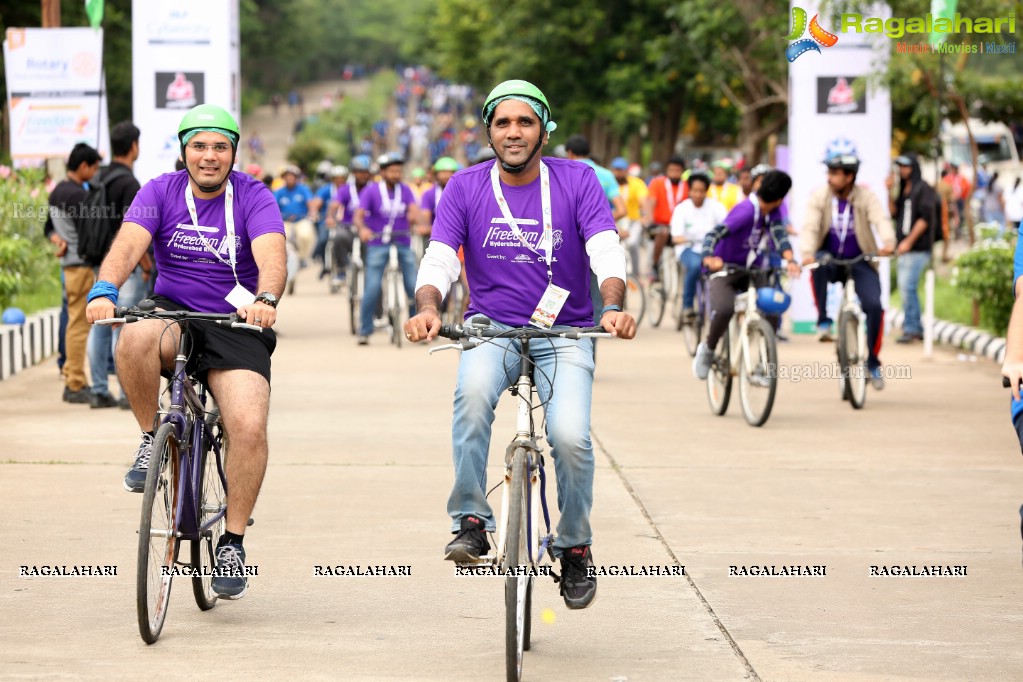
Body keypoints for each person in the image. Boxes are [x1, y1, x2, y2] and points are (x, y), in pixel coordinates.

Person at [403, 79, 637, 610]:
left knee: (572, 436)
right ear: (488, 130)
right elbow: (440, 256)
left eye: (525, 122)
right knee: (471, 401)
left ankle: (574, 545)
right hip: (492, 329)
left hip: (567, 332)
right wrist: (427, 308)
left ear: (544, 131)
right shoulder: (464, 186)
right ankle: (471, 520)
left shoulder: (577, 181)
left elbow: (605, 248)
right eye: (503, 122)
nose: (513, 132)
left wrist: (614, 304)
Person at [85, 104, 286, 599]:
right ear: (183, 150)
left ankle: (234, 540)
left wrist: (265, 298)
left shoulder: (254, 196)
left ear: (234, 153)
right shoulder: (159, 192)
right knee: (132, 335)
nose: (209, 156)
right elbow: (129, 245)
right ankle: (151, 436)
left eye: (220, 146)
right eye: (199, 145)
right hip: (174, 311)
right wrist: (105, 287)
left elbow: (271, 253)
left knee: (247, 424)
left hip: (235, 321)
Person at [800, 153, 895, 389]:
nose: (829, 178)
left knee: (874, 306)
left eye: (835, 174)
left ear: (849, 177)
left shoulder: (866, 197)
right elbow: (810, 226)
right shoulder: (820, 197)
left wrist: (888, 242)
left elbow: (880, 219)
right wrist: (806, 252)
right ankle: (823, 321)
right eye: (829, 173)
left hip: (861, 260)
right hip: (830, 259)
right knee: (818, 265)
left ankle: (872, 362)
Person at [692, 171, 800, 379]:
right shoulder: (745, 212)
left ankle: (764, 366)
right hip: (725, 270)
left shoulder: (773, 211)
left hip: (752, 271)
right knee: (724, 309)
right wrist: (708, 257)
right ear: (779, 198)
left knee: (771, 310)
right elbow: (713, 234)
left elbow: (780, 235)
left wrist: (790, 260)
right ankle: (708, 349)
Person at [85, 121, 150, 409]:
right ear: (134, 146)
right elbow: (133, 231)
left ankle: (99, 389)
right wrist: (146, 264)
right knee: (122, 327)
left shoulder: (100, 178)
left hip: (99, 264)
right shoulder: (128, 183)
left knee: (99, 325)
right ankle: (126, 393)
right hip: (124, 269)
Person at [45, 142, 102, 403]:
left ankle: (70, 373)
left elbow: (49, 227)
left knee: (72, 322)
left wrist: (58, 239)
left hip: (68, 265)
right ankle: (76, 384)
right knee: (79, 326)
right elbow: (89, 234)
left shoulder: (58, 191)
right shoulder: (78, 196)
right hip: (80, 266)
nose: (96, 171)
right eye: (94, 167)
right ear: (83, 167)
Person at [353, 152, 418, 345]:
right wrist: (363, 229)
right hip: (377, 243)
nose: (396, 174)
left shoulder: (406, 190)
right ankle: (365, 330)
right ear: (382, 172)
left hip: (402, 242)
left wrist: (419, 222)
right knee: (372, 286)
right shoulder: (371, 191)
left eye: (399, 171)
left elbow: (414, 211)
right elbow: (358, 216)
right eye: (392, 171)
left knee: (414, 285)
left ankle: (417, 328)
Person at [886, 153, 937, 344]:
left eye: (906, 166)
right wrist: (888, 191)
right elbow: (894, 213)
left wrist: (908, 241)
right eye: (900, 167)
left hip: (918, 247)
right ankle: (913, 327)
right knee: (905, 287)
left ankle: (913, 327)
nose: (903, 170)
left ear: (914, 167)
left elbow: (925, 218)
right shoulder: (904, 189)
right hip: (905, 247)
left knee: (908, 286)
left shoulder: (923, 188)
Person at [669, 172, 726, 318]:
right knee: (695, 266)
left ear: (706, 191)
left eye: (701, 191)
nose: (698, 194)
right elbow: (676, 237)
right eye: (695, 190)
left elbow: (726, 227)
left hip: (712, 249)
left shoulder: (716, 207)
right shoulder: (682, 209)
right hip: (688, 249)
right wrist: (688, 240)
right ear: (689, 190)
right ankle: (687, 306)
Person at [644, 155, 687, 281]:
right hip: (660, 225)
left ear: (682, 171)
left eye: (677, 171)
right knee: (662, 232)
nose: (674, 174)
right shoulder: (657, 182)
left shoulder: (686, 186)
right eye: (671, 170)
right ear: (666, 170)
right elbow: (650, 202)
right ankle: (655, 265)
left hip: (679, 227)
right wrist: (649, 218)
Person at [611, 157, 649, 277]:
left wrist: (645, 216)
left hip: (634, 220)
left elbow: (643, 201)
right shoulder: (610, 183)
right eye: (615, 170)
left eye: (620, 170)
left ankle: (636, 274)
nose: (617, 173)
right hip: (615, 220)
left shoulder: (636, 183)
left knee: (632, 243)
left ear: (626, 171)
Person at [274, 166, 316, 267]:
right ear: (284, 178)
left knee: (305, 235)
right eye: (287, 176)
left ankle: (303, 258)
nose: (290, 178)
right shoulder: (279, 191)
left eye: (292, 176)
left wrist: (313, 213)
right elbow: (273, 206)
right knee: (280, 238)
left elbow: (310, 203)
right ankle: (281, 260)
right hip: (285, 221)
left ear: (296, 178)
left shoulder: (303, 189)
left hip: (301, 219)